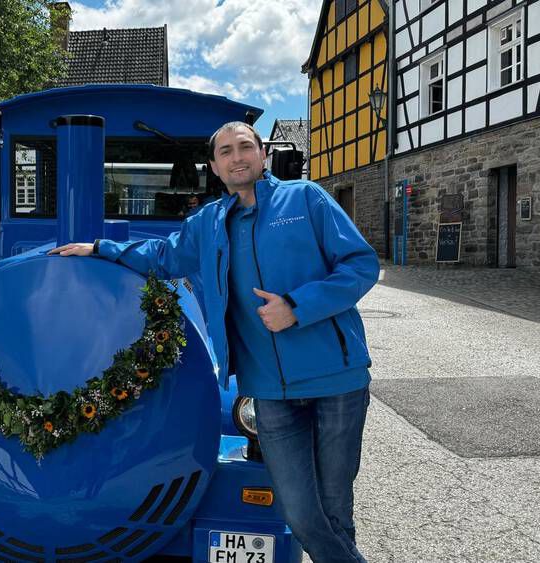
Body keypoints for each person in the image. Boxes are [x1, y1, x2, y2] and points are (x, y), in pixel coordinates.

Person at [51, 122, 378, 563]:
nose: (237, 156)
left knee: (335, 507)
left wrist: (297, 306)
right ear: (214, 167)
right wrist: (99, 248)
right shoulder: (208, 223)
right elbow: (163, 256)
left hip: (336, 380)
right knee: (298, 511)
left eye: (246, 147)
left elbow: (361, 265)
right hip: (268, 390)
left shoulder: (306, 199)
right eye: (226, 151)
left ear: (263, 155)